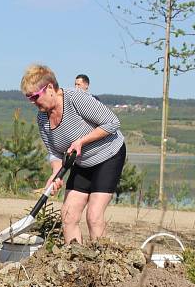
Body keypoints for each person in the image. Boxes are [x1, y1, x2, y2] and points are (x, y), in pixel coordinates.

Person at [21, 64, 126, 244]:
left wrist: (81, 141)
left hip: (108, 156)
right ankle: (75, 262)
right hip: (82, 163)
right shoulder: (42, 118)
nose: (32, 102)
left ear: (50, 88)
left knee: (93, 215)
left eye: (35, 96)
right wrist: (55, 173)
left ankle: (101, 262)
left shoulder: (75, 98)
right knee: (68, 215)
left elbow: (112, 123)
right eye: (28, 97)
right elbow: (54, 152)